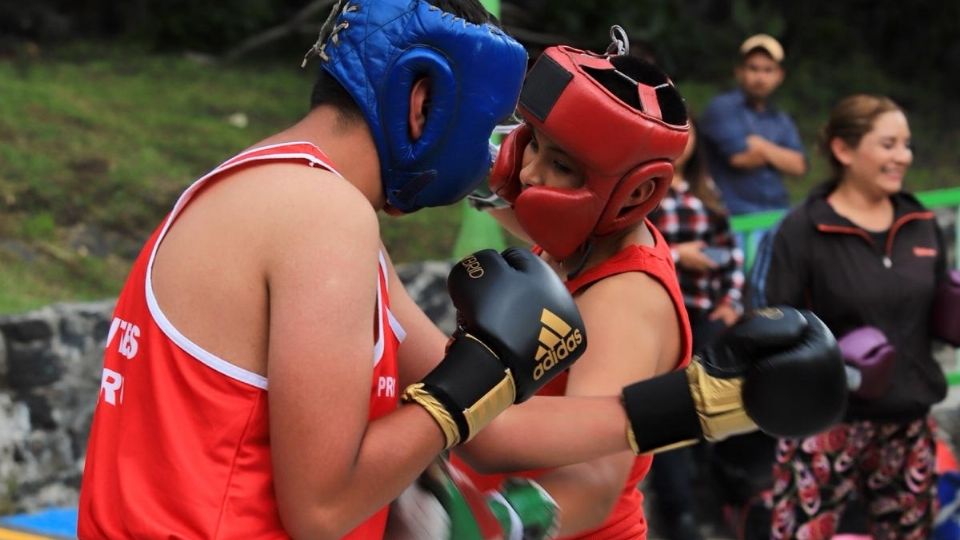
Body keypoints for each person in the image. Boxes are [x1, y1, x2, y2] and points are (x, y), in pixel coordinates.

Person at [75, 3, 845, 539]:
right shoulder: (325, 217)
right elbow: (325, 507)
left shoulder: (272, 188)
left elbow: (495, 415)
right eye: (493, 130)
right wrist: (467, 391)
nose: (497, 158)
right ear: (422, 105)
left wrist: (708, 403)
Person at [447, 32, 847, 539]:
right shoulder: (583, 235)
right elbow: (498, 186)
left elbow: (591, 484)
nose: (530, 171)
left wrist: (478, 529)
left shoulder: (623, 297)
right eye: (532, 143)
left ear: (633, 193)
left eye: (561, 164)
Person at [762, 94, 948, 539]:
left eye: (906, 145)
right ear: (844, 151)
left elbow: (937, 315)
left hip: (907, 422)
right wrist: (827, 359)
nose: (902, 156)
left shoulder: (920, 222)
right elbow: (772, 328)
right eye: (888, 144)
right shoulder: (803, 229)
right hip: (824, 425)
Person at [647, 120, 744, 539]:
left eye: (689, 133)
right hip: (659, 318)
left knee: (709, 409)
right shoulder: (643, 190)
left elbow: (733, 253)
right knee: (668, 413)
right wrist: (677, 254)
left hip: (706, 319)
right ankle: (679, 511)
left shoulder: (707, 193)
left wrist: (732, 303)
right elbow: (626, 247)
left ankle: (709, 496)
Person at [699, 34, 807, 216]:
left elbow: (799, 166)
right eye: (753, 69)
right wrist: (779, 155)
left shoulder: (781, 118)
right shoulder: (722, 108)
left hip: (778, 213)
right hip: (733, 216)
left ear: (779, 76)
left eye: (768, 70)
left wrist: (761, 146)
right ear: (739, 71)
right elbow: (740, 158)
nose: (760, 77)